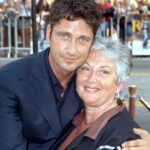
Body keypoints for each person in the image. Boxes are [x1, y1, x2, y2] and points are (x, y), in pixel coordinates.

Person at [0, 0, 150, 149]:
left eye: (83, 39)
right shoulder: (10, 81)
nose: (72, 50)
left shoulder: (86, 82)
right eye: (64, 36)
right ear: (48, 33)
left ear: (92, 41)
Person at [52, 36, 141, 150]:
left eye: (104, 72)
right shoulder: (74, 118)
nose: (91, 78)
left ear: (119, 85)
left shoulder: (123, 139)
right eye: (85, 69)